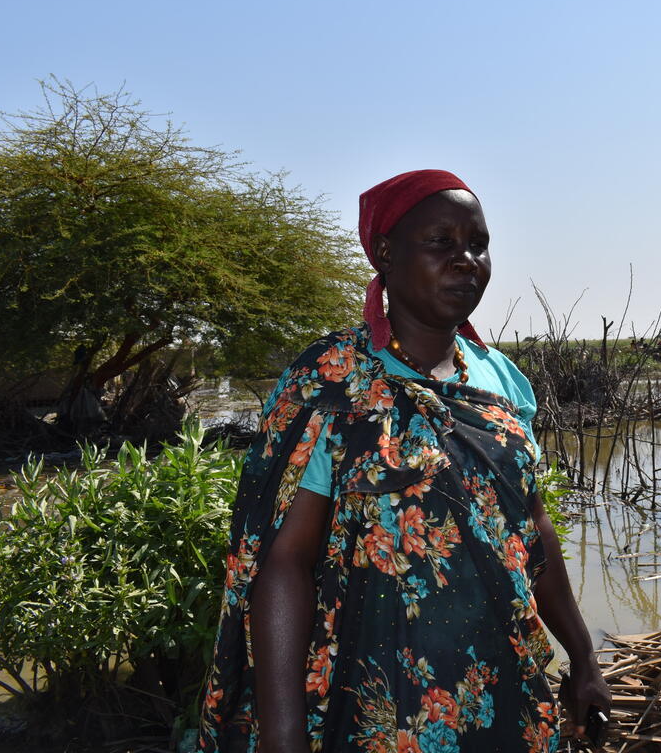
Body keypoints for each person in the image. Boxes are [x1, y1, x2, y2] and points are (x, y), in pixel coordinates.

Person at [197, 170, 610, 753]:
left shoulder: (502, 379)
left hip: (504, 684)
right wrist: (283, 730)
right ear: (386, 253)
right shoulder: (334, 381)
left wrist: (584, 657)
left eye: (478, 244)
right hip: (375, 699)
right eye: (441, 242)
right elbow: (285, 562)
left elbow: (532, 530)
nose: (467, 260)